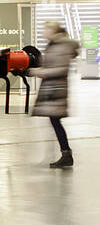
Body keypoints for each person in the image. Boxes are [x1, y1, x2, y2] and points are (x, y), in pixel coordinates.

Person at [30, 20, 79, 168]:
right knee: (54, 121)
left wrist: (41, 72)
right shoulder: (54, 44)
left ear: (53, 30)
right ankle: (65, 153)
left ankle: (66, 154)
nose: (44, 32)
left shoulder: (61, 46)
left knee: (56, 121)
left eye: (46, 29)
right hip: (52, 90)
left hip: (56, 91)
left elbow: (61, 69)